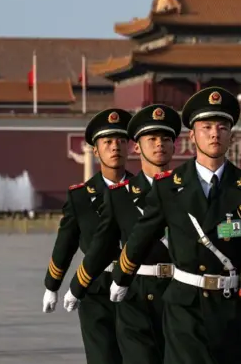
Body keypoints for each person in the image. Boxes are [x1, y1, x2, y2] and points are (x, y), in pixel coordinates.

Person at [109, 87, 241, 364]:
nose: (215, 133)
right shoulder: (169, 187)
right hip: (185, 305)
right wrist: (122, 276)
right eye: (206, 127)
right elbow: (142, 236)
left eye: (222, 127)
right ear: (192, 136)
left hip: (233, 304)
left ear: (231, 135)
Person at [62, 104, 182, 364]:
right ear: (137, 146)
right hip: (135, 294)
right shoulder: (120, 195)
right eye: (151, 139)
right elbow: (102, 244)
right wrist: (76, 286)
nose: (159, 145)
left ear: (176, 146)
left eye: (166, 139)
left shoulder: (190, 189)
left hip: (181, 293)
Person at [42, 108, 132, 364]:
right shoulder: (81, 196)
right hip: (95, 291)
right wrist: (52, 285)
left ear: (130, 147)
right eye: (108, 142)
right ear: (96, 150)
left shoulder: (144, 191)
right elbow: (67, 242)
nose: (115, 147)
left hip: (136, 288)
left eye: (121, 141)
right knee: (102, 358)